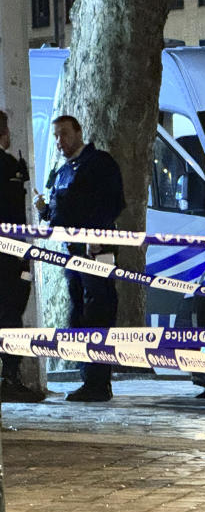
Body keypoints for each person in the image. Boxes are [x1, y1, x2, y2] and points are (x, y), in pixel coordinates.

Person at [34, 115, 125, 402]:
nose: (60, 141)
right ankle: (90, 380)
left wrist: (96, 236)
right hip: (72, 254)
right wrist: (44, 210)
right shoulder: (63, 171)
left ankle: (99, 383)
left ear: (78, 132)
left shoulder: (100, 163)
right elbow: (61, 214)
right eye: (56, 136)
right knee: (79, 316)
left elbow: (113, 203)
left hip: (97, 252)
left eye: (64, 134)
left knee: (98, 311)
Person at [0, 111, 45, 402]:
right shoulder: (8, 165)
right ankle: (9, 378)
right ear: (4, 133)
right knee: (11, 312)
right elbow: (15, 215)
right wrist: (22, 254)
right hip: (7, 254)